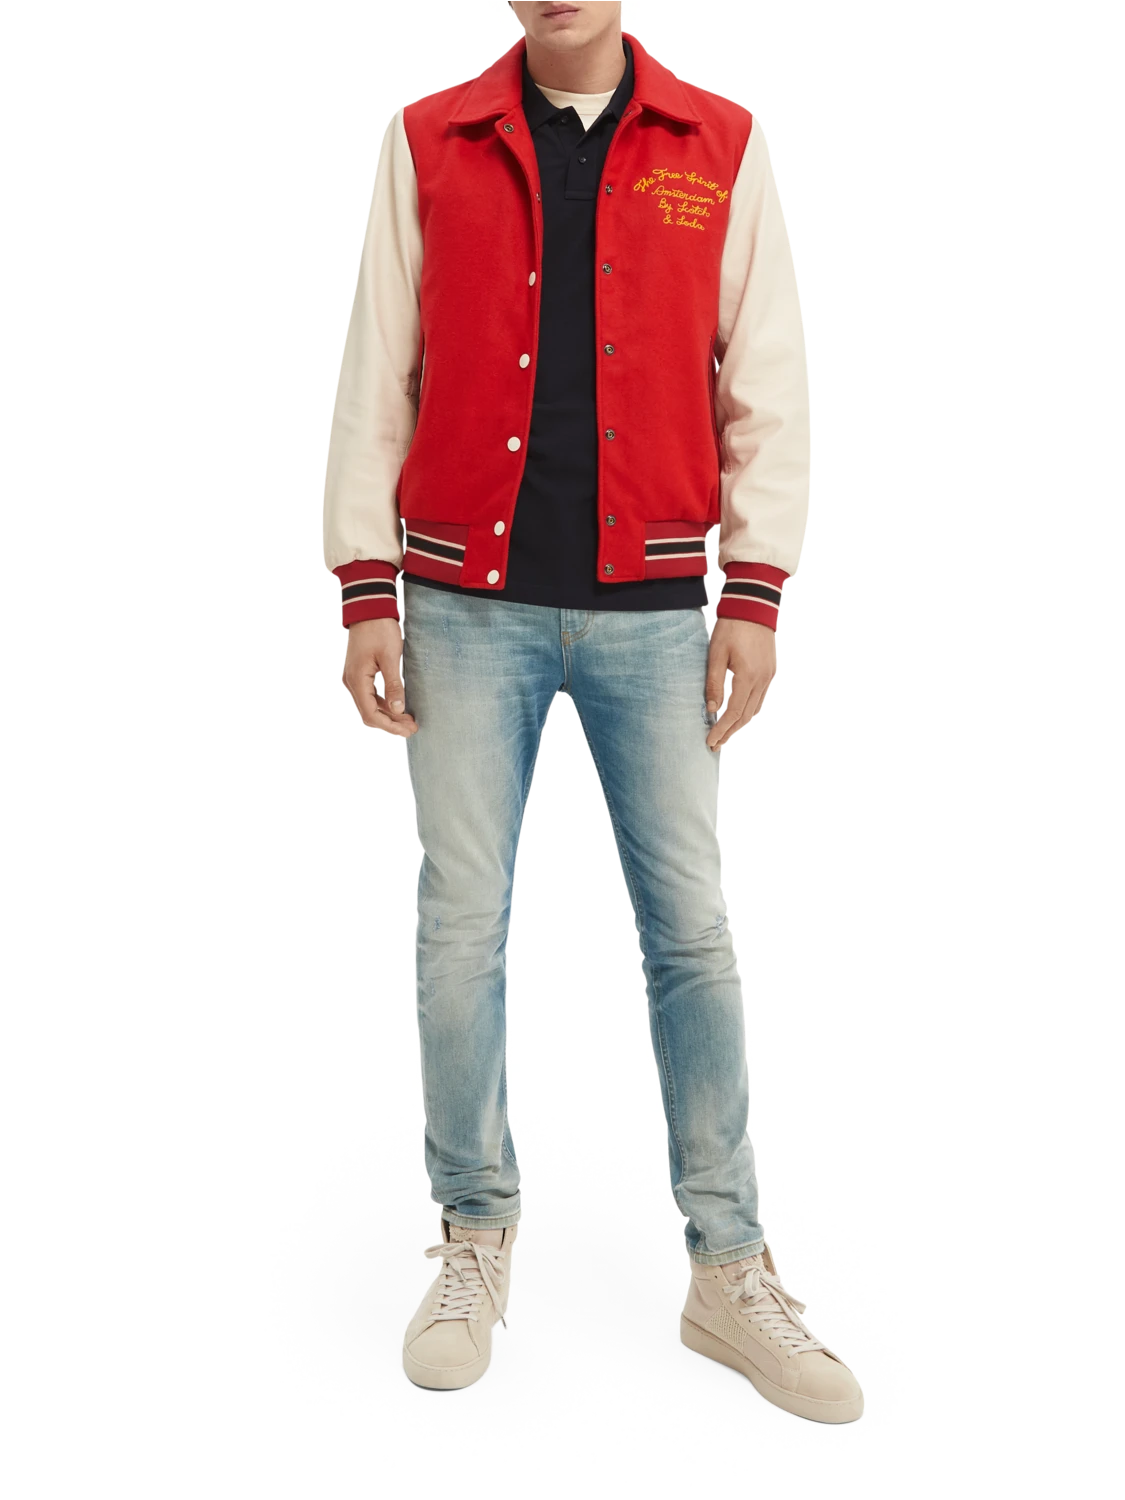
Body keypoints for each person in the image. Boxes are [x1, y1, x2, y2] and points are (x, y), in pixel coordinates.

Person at [323, 0, 861, 1423]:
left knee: (692, 933)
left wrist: (755, 588)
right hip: (460, 601)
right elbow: (377, 371)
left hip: (661, 606)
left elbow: (767, 377)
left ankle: (728, 1268)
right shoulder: (427, 141)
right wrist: (366, 586)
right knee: (461, 922)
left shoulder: (719, 143)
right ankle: (474, 1235)